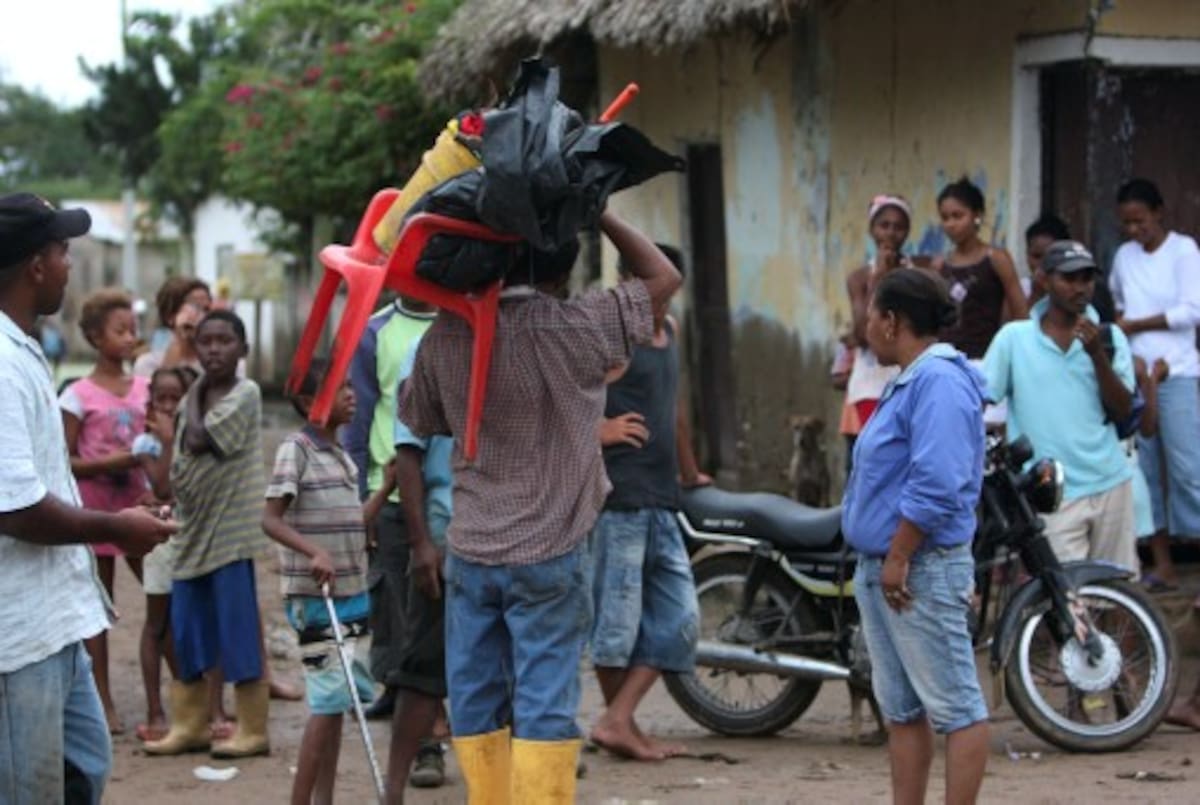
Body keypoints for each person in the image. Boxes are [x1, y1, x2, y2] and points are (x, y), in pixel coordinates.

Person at [400, 210, 681, 802]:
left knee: (475, 698)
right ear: (563, 269)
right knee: (544, 704)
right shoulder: (580, 325)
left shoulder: (446, 334)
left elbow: (419, 418)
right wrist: (598, 209)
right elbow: (663, 277)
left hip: (472, 549)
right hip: (551, 549)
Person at [0, 192, 175, 803]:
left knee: (84, 770)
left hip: (54, 621)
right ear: (36, 266)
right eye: (62, 251)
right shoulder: (1, 363)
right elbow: (14, 507)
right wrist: (116, 527)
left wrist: (121, 517)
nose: (69, 264)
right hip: (18, 636)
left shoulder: (22, 349)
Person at [842, 268, 990, 805]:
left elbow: (938, 481)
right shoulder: (909, 380)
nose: (864, 328)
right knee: (902, 709)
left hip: (918, 568)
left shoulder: (939, 382)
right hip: (887, 566)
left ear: (891, 321)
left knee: (958, 709)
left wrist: (899, 555)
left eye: (871, 315)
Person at [589, 243, 704, 762]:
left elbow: (673, 404)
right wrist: (599, 429)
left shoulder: (670, 330)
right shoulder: (610, 340)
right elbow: (554, 404)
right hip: (618, 503)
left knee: (681, 620)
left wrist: (689, 471)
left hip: (661, 499)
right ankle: (621, 726)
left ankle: (617, 720)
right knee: (615, 629)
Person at [263, 359, 392, 805]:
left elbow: (355, 522)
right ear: (307, 401)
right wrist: (313, 552)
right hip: (316, 597)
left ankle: (325, 798)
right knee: (326, 702)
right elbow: (270, 519)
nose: (352, 395)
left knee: (339, 702)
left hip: (351, 593)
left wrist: (385, 487)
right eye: (340, 388)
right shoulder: (296, 449)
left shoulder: (341, 456)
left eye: (352, 387)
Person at [145, 310, 270, 758]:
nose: (214, 349)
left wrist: (195, 390)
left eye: (224, 341)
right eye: (206, 341)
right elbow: (178, 464)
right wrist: (194, 392)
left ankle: (253, 728)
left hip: (230, 536)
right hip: (192, 531)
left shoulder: (245, 393)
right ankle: (190, 724)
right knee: (187, 630)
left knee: (238, 631)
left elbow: (199, 439)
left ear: (243, 349)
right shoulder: (191, 398)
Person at [341, 293, 447, 782]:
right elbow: (359, 420)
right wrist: (361, 500)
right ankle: (427, 744)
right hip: (394, 498)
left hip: (458, 499)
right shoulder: (375, 331)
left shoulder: (464, 320)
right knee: (405, 623)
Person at [984, 241, 1138, 571]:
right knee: (1062, 592)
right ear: (1043, 279)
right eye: (1069, 278)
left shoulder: (1109, 337)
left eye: (1087, 278)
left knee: (1118, 590)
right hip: (1050, 492)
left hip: (1111, 482)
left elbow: (1123, 409)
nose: (1080, 288)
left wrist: (1097, 355)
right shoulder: (1014, 339)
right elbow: (982, 396)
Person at [57, 288, 152, 734]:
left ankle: (175, 696)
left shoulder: (146, 390)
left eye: (133, 330)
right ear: (96, 337)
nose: (130, 338)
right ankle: (103, 703)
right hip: (94, 514)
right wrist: (111, 463)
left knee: (162, 594)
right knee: (98, 609)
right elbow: (64, 459)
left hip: (140, 508)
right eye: (120, 330)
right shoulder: (77, 396)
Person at [1109, 177, 1200, 591]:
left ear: (1159, 212)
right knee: (1144, 475)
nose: (1134, 230)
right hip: (1136, 375)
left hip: (1177, 373)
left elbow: (1191, 312)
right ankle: (1162, 565)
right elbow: (1120, 304)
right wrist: (1131, 346)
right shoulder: (1124, 256)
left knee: (1188, 472)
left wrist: (1136, 325)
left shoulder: (1183, 250)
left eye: (1140, 221)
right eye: (1127, 223)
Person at [387, 334, 456, 799]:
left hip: (507, 533)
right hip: (445, 528)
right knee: (422, 667)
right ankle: (395, 785)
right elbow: (408, 452)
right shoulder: (426, 350)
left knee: (505, 664)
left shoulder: (515, 337)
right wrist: (420, 544)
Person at [131, 366, 193, 742]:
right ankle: (155, 711)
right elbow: (163, 487)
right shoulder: (146, 444)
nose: (169, 406)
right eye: (162, 399)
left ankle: (193, 708)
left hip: (190, 538)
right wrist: (168, 440)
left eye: (176, 398)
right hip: (159, 540)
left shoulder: (194, 437)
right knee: (156, 624)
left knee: (186, 622)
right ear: (150, 403)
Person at [936, 176, 1028, 359]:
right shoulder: (940, 265)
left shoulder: (996, 259)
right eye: (945, 218)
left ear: (977, 216)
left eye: (958, 216)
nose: (950, 224)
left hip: (986, 359)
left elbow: (1021, 314)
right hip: (946, 358)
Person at [844, 195, 911, 441]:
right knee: (878, 449)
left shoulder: (918, 274)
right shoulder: (859, 278)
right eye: (884, 225)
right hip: (871, 385)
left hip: (908, 379)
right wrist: (878, 279)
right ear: (872, 230)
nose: (891, 233)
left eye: (899, 227)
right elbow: (863, 334)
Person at [136, 276, 211, 375]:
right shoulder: (148, 364)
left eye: (206, 309)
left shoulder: (214, 362)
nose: (203, 316)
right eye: (195, 307)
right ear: (170, 316)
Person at [1024, 214, 1071, 306]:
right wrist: (1036, 294)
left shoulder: (1075, 290)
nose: (1042, 263)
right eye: (1036, 256)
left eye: (1050, 256)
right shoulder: (1019, 289)